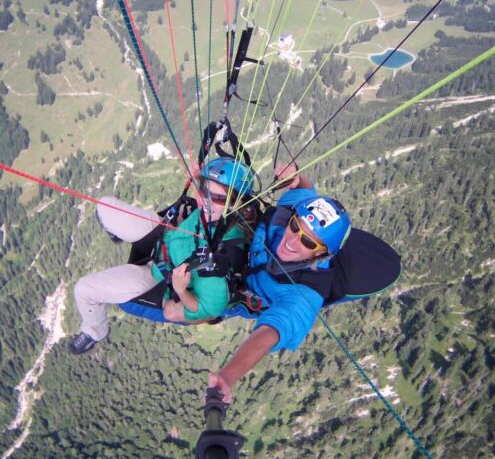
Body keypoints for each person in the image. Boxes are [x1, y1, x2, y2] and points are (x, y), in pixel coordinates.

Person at [69, 157, 255, 354]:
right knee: (105, 206)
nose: (205, 201)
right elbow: (206, 201)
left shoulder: (220, 264)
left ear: (238, 203)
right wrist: (199, 177)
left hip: (158, 278)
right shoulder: (217, 212)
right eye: (203, 190)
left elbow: (208, 311)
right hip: (165, 236)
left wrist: (180, 291)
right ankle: (117, 232)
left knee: (84, 290)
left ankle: (94, 331)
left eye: (216, 197)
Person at [207, 163, 352, 402]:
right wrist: (296, 174)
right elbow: (306, 189)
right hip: (240, 244)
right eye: (295, 227)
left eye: (308, 243)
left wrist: (227, 377)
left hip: (242, 289)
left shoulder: (305, 293)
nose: (292, 241)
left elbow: (272, 330)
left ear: (322, 254)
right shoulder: (290, 212)